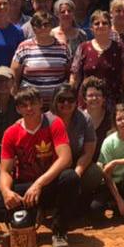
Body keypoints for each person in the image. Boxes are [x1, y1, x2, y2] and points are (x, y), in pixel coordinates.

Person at [0, 88, 81, 247]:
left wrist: (39, 184)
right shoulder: (11, 133)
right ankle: (22, 224)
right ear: (18, 109)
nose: (29, 109)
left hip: (48, 185)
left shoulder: (54, 123)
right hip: (25, 188)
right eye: (24, 105)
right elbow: (5, 171)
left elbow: (66, 158)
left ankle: (59, 231)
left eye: (33, 103)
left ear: (41, 104)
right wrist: (6, 191)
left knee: (70, 178)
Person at [48, 84, 103, 219]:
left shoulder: (85, 119)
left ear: (76, 101)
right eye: (61, 99)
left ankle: (78, 201)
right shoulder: (45, 120)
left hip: (77, 166)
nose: (66, 103)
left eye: (70, 99)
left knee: (95, 172)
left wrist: (76, 175)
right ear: (54, 100)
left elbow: (88, 153)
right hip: (51, 167)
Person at [71, 10, 124, 109]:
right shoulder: (83, 48)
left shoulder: (120, 48)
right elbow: (75, 77)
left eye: (104, 23)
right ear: (91, 28)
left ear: (110, 26)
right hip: (87, 101)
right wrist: (71, 98)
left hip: (113, 102)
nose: (101, 25)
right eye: (97, 23)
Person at [12, 11, 72, 108]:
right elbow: (14, 77)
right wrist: (16, 101)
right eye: (38, 25)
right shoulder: (23, 47)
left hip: (57, 106)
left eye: (46, 24)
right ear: (33, 28)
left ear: (51, 26)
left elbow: (70, 75)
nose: (43, 28)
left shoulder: (63, 47)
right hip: (30, 106)